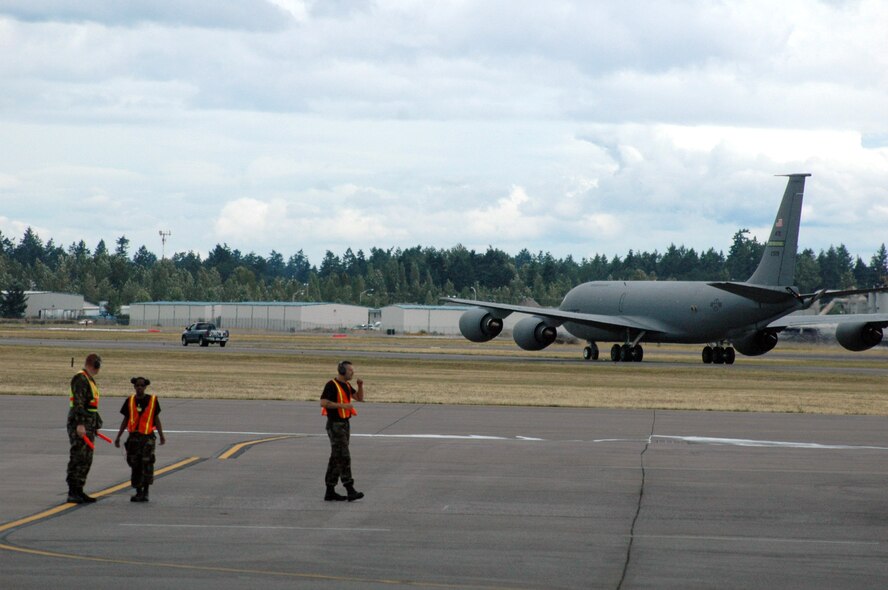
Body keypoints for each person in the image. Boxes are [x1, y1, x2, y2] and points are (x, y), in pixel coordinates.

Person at [115, 376, 166, 502]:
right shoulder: (130, 400)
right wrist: (119, 436)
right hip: (133, 438)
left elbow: (156, 419)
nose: (139, 388)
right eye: (137, 385)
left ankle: (146, 491)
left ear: (145, 387)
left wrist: (161, 435)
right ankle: (138, 491)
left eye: (142, 385)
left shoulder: (152, 400)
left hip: (147, 438)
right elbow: (125, 419)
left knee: (147, 463)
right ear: (134, 387)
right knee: (135, 464)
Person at [320, 360, 365, 502]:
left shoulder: (346, 385)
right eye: (351, 370)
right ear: (342, 371)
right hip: (335, 425)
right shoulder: (331, 385)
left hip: (345, 424)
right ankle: (350, 488)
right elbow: (323, 402)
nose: (353, 372)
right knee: (344, 456)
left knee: (336, 458)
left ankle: (330, 491)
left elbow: (359, 398)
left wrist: (360, 386)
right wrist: (342, 406)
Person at [66, 353, 103, 504]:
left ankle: (79, 490)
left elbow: (91, 405)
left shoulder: (88, 379)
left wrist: (96, 424)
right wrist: (80, 425)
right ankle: (73, 491)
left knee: (86, 458)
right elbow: (79, 404)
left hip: (88, 424)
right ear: (94, 364)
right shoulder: (80, 379)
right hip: (79, 424)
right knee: (78, 457)